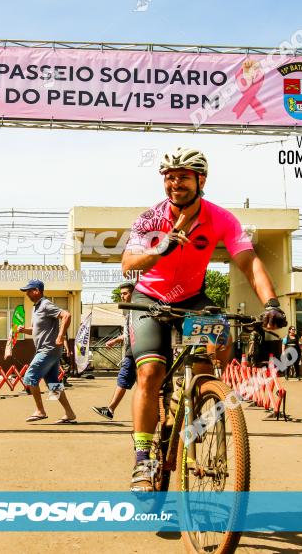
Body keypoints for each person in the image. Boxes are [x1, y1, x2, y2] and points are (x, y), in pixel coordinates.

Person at [121, 147, 287, 491]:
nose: (174, 183)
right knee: (150, 371)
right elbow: (128, 264)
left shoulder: (221, 219)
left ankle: (198, 398)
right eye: (169, 177)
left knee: (219, 349)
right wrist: (160, 248)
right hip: (149, 299)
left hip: (193, 298)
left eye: (182, 176)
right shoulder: (151, 218)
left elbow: (249, 263)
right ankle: (142, 461)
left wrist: (271, 302)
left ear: (201, 180)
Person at [17, 279, 77, 424]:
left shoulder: (45, 304)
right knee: (52, 383)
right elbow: (37, 330)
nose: (27, 294)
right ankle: (69, 413)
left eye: (29, 291)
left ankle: (40, 411)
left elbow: (66, 315)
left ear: (37, 290)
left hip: (48, 349)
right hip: (48, 350)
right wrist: (24, 330)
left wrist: (61, 335)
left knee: (30, 377)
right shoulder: (36, 308)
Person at [92, 281, 137, 420]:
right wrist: (115, 340)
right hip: (133, 350)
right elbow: (129, 333)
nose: (122, 297)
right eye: (121, 294)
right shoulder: (128, 310)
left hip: (134, 352)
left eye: (125, 293)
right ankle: (158, 413)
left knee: (123, 379)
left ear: (133, 293)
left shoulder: (136, 310)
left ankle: (110, 409)